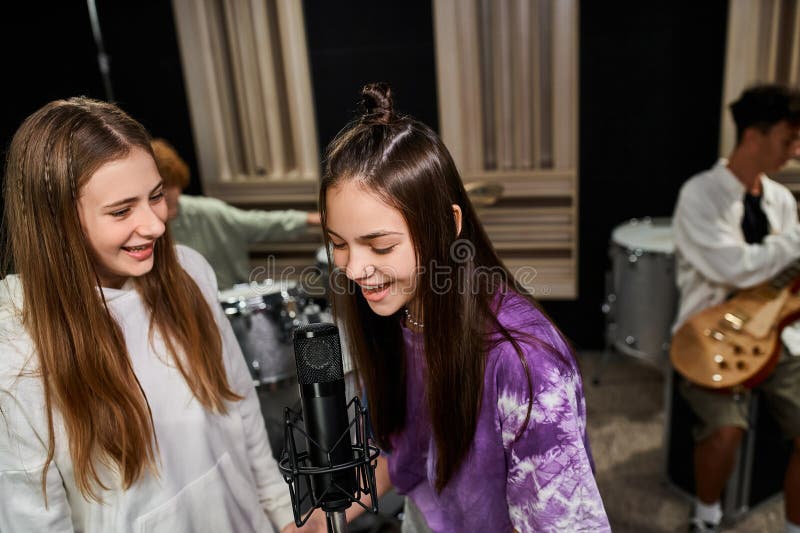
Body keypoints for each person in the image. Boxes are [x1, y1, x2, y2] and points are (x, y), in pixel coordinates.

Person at [318, 83, 609, 532]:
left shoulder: (526, 363)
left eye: (379, 246)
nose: (354, 269)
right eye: (338, 244)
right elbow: (410, 453)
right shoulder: (401, 312)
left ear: (449, 224)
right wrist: (324, 519)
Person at [0, 97, 298, 532]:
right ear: (55, 222)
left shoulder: (189, 273)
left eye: (155, 197)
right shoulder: (15, 346)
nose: (156, 225)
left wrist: (283, 516)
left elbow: (243, 413)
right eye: (122, 210)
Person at [672, 84, 800, 533]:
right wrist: (792, 243)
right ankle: (705, 517)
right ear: (752, 136)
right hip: (710, 332)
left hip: (779, 334)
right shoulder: (699, 194)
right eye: (787, 140)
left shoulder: (782, 202)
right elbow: (734, 268)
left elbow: (785, 277)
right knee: (725, 431)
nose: (795, 150)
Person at [150, 138, 321, 290]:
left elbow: (258, 223)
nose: (168, 193)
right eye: (159, 190)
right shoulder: (144, 227)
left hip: (225, 300)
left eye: (172, 184)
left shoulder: (208, 212)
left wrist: (308, 219)